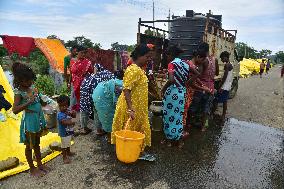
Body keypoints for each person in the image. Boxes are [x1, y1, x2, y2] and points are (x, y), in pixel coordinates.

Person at [11, 62, 49, 177]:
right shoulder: (18, 92)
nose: (30, 83)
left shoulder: (32, 87)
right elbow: (15, 109)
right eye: (27, 81)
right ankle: (32, 169)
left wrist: (41, 98)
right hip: (30, 123)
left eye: (31, 80)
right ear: (19, 80)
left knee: (37, 144)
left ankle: (40, 164)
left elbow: (41, 102)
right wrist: (29, 102)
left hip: (38, 120)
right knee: (29, 146)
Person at [111, 44, 152, 148]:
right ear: (139, 56)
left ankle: (133, 149)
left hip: (137, 106)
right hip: (132, 106)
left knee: (134, 129)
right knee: (130, 129)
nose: (149, 59)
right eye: (147, 57)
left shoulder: (138, 69)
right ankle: (129, 150)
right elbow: (126, 89)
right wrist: (131, 109)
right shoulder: (134, 70)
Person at [161, 45, 199, 147]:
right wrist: (187, 82)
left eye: (167, 55)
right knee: (178, 116)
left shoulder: (171, 64)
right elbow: (196, 73)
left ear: (170, 54)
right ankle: (179, 141)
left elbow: (171, 80)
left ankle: (169, 140)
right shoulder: (185, 64)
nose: (167, 58)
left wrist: (163, 89)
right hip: (182, 92)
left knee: (169, 116)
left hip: (172, 93)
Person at [189, 42, 217, 132]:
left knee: (194, 107)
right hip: (211, 87)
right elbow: (216, 73)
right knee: (207, 108)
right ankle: (204, 126)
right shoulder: (214, 59)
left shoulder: (204, 60)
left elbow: (198, 75)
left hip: (201, 87)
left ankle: (189, 124)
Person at [183, 50, 213, 135]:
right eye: (202, 60)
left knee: (186, 110)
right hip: (187, 92)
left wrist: (202, 85)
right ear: (198, 57)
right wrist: (203, 89)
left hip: (189, 92)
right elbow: (191, 84)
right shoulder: (191, 66)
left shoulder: (191, 64)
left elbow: (196, 79)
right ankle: (182, 131)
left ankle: (184, 128)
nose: (203, 62)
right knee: (184, 112)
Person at [79, 64, 114, 135]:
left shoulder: (92, 76)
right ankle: (99, 130)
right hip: (94, 93)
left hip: (84, 92)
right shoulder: (109, 75)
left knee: (84, 110)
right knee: (97, 111)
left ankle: (84, 128)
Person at [92, 70, 124, 139]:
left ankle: (99, 130)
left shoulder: (114, 80)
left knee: (98, 113)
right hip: (102, 98)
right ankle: (110, 138)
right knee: (108, 117)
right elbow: (116, 102)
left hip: (96, 93)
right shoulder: (121, 84)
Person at [70, 47, 93, 111]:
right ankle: (74, 111)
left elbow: (91, 73)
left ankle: (83, 110)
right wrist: (69, 82)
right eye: (82, 53)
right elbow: (71, 72)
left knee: (83, 99)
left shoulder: (87, 62)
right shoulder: (72, 61)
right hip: (74, 83)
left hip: (84, 83)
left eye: (84, 53)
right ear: (77, 52)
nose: (83, 54)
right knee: (73, 98)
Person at [214, 51, 233, 122]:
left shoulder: (227, 65)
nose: (221, 60)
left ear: (225, 57)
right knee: (225, 101)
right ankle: (223, 114)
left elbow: (224, 77)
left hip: (224, 87)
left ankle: (214, 113)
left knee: (216, 100)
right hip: (228, 86)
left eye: (222, 58)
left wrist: (220, 86)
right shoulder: (230, 64)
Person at [57, 95, 76, 164]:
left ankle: (68, 152)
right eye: (61, 106)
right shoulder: (60, 114)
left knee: (68, 142)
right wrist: (71, 122)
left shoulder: (68, 111)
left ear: (68, 105)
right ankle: (64, 157)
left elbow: (74, 116)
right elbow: (63, 122)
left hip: (69, 131)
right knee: (64, 145)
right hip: (63, 132)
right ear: (59, 105)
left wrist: (73, 113)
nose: (63, 107)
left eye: (65, 106)